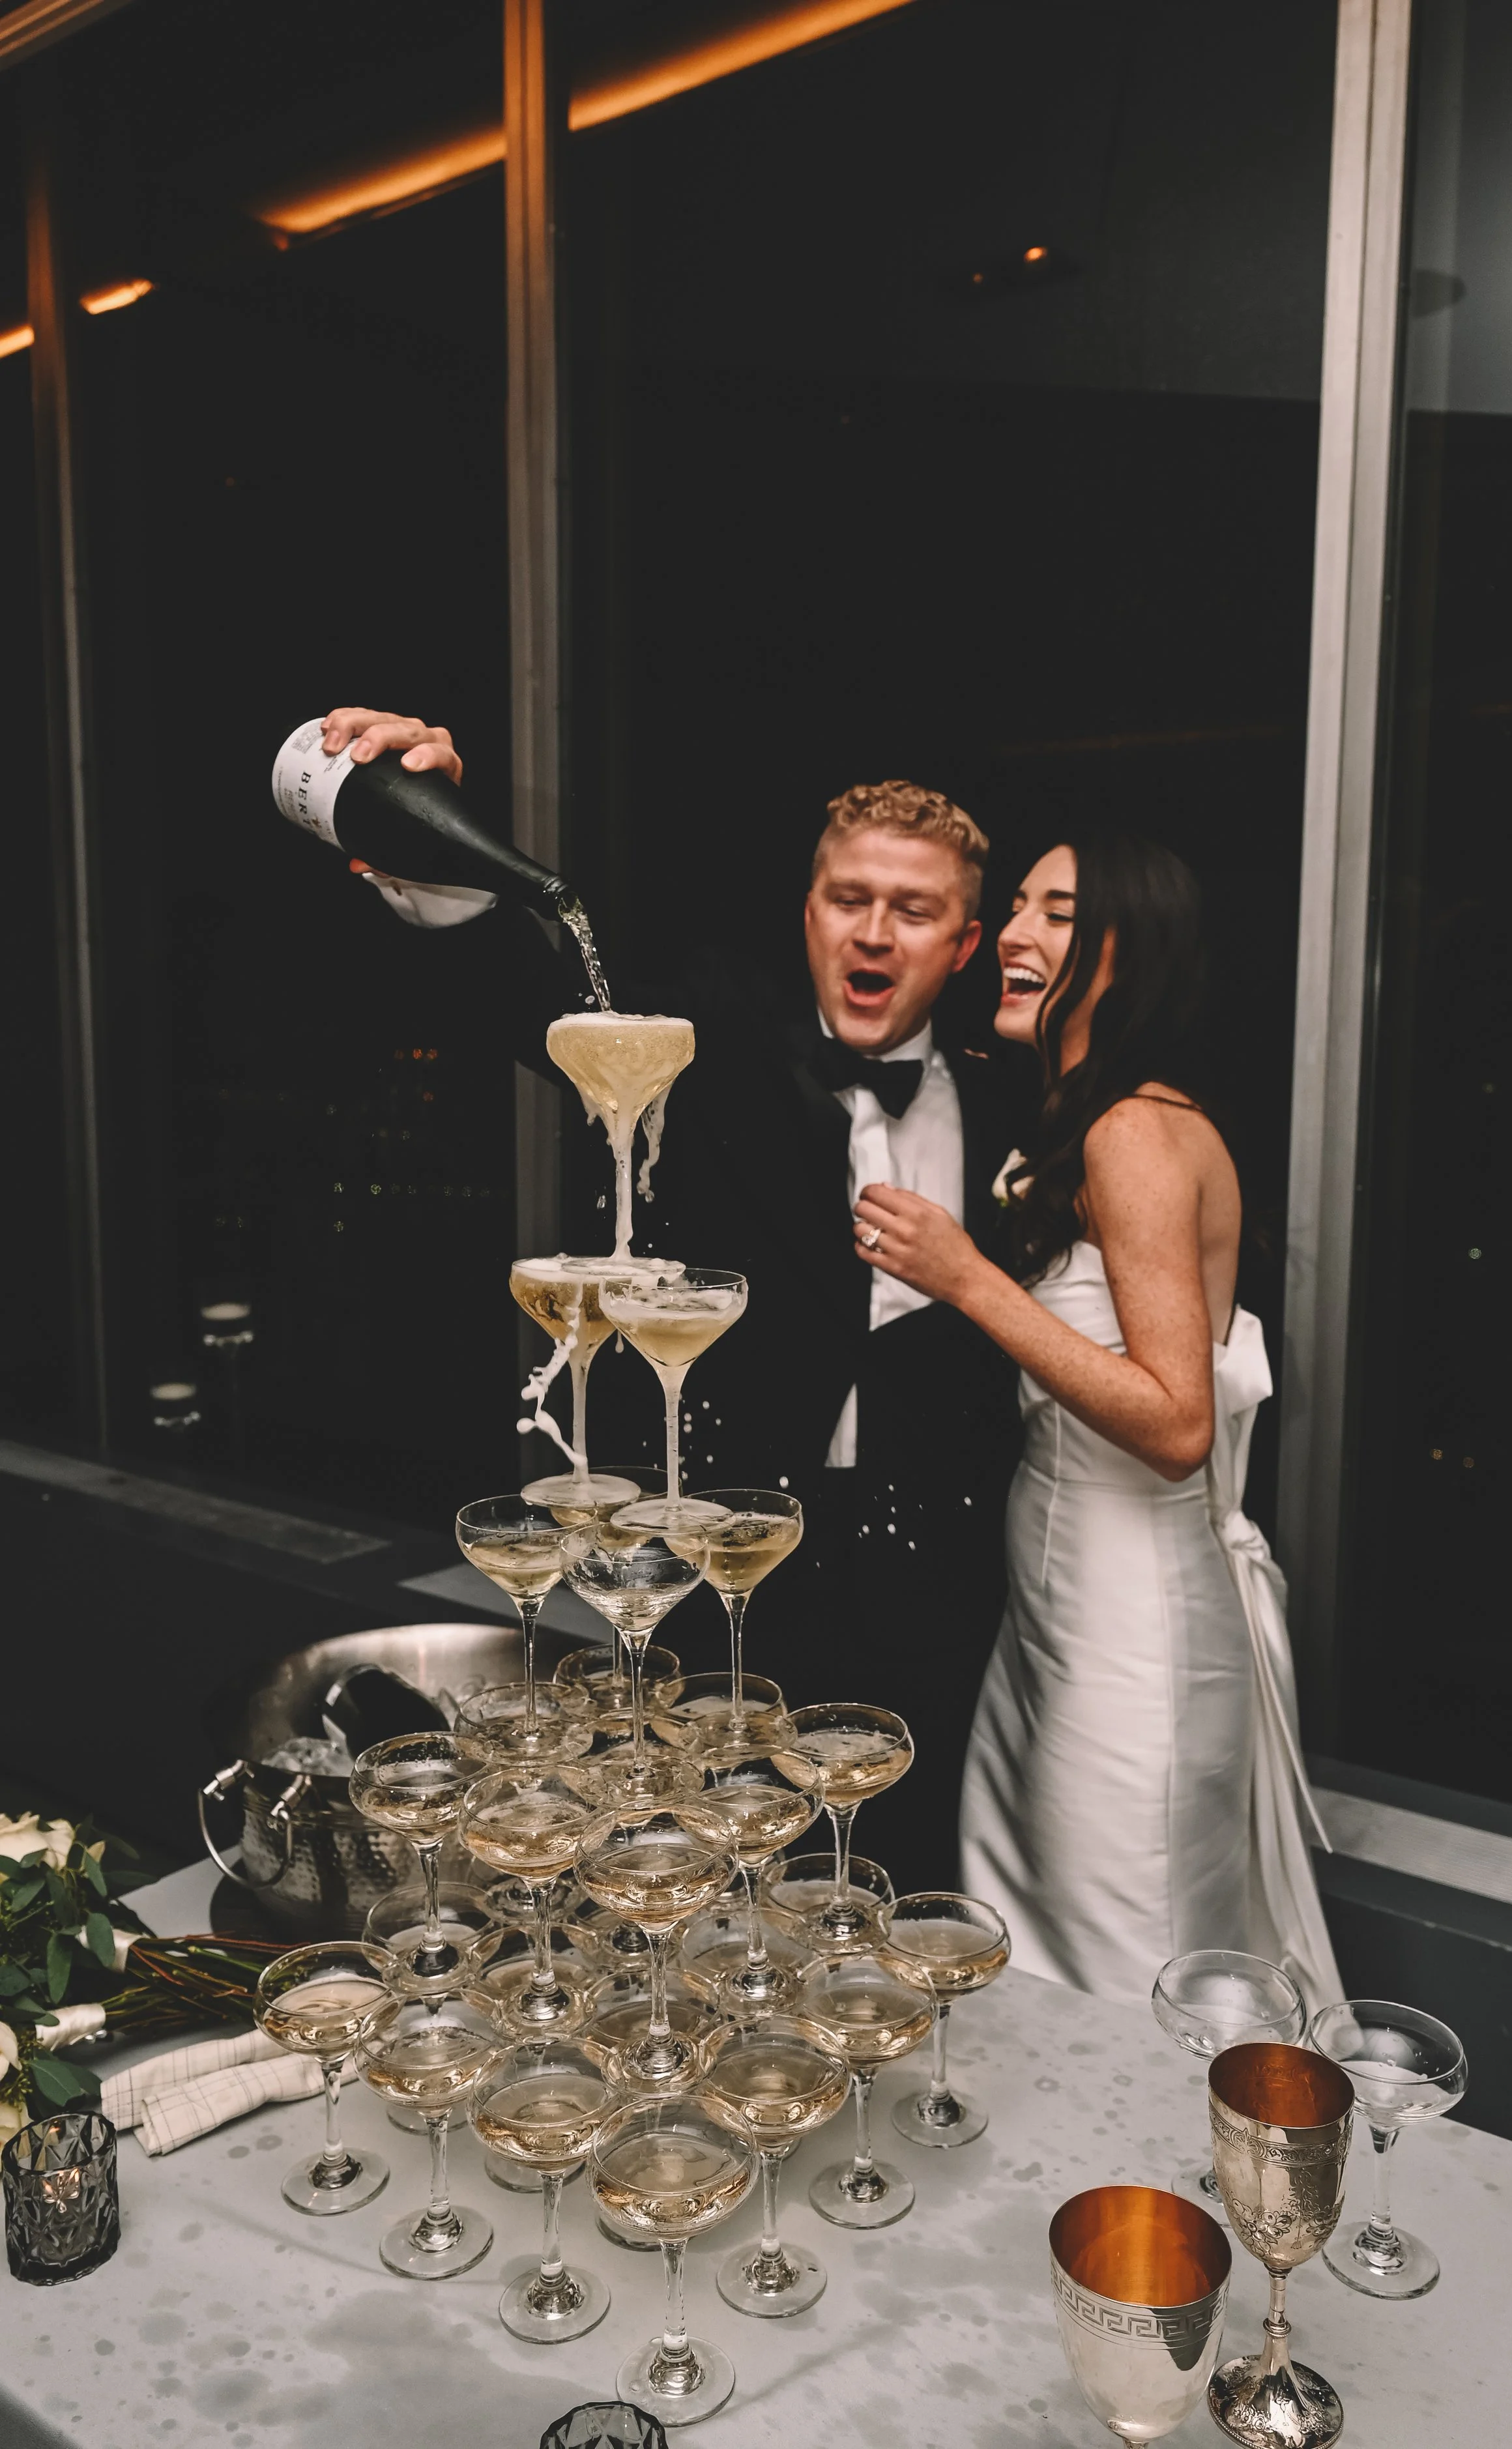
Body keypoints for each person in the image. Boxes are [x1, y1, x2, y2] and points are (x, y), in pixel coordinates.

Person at [310, 710, 1030, 1892]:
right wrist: (432, 847)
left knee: (901, 1878)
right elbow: (532, 995)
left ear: (963, 944)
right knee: (706, 1877)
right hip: (728, 1557)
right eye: (850, 898)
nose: (874, 930)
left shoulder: (1015, 1109)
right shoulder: (717, 1049)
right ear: (810, 913)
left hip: (943, 1591)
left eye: (913, 910)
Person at [850, 829, 1341, 2008]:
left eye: (1057, 914)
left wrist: (967, 1277)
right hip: (1055, 1621)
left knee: (1131, 1964)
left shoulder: (1136, 1131)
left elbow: (1178, 1423)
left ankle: (1153, 2189)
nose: (1015, 936)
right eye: (1018, 907)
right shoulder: (1088, 1120)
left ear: (1137, 950)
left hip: (1133, 1640)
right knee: (1054, 1948)